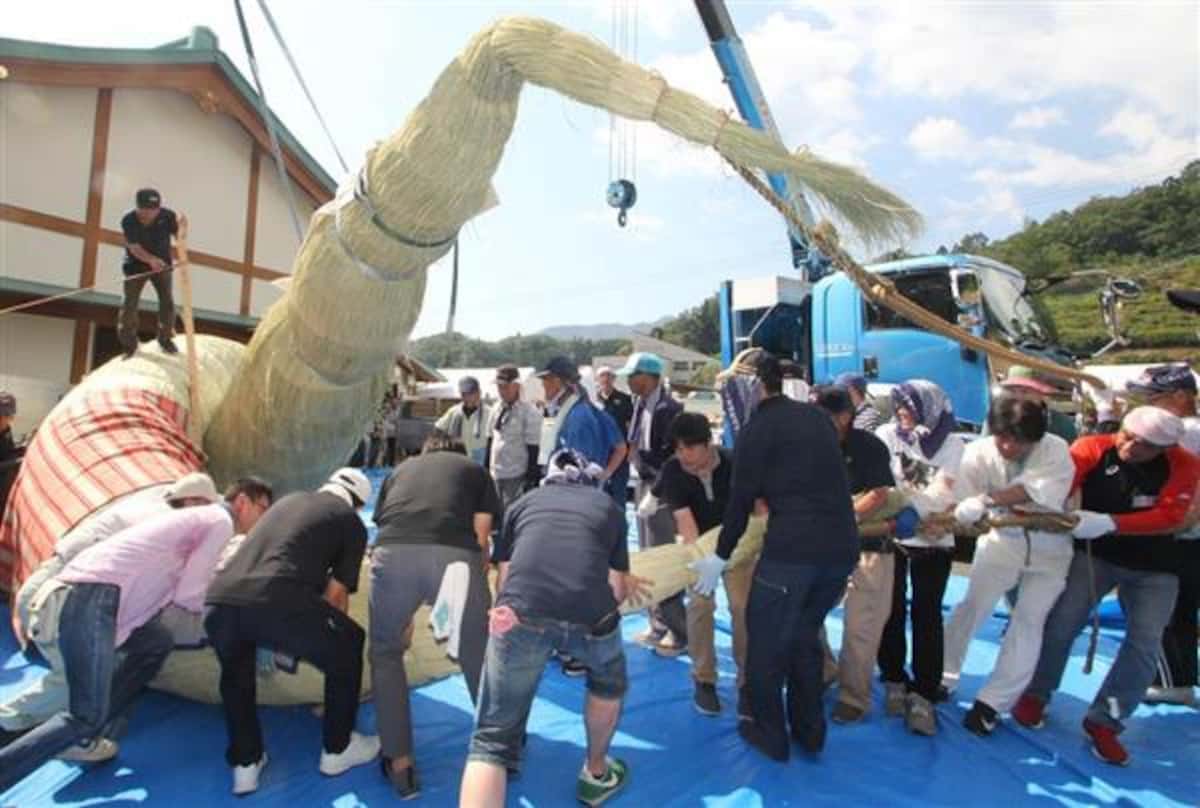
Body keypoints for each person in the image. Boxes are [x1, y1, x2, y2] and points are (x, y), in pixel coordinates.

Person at [0, 496, 244, 790]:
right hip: (87, 598)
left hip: (86, 602)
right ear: (243, 501)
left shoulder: (169, 532)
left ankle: (89, 735)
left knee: (155, 641)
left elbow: (163, 593)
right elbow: (189, 594)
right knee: (81, 711)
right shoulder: (219, 519)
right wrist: (230, 614)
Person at [1, 474, 269, 736]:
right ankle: (40, 729)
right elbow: (188, 592)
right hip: (71, 595)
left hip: (88, 597)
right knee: (78, 688)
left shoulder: (175, 520)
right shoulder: (182, 520)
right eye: (263, 509)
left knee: (152, 643)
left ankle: (91, 729)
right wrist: (239, 623)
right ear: (192, 502)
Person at [691, 354, 858, 762]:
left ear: (750, 387)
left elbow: (740, 502)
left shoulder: (756, 430)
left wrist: (719, 556)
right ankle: (810, 731)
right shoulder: (816, 417)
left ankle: (768, 732)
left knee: (766, 645)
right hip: (840, 552)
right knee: (804, 637)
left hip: (793, 554)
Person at [458, 449, 648, 808]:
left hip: (522, 612)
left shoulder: (523, 503)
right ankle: (595, 773)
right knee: (608, 684)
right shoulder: (607, 507)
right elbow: (619, 589)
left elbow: (506, 579)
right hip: (590, 614)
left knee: (490, 741)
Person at [1012, 407, 1200, 766]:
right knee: (1062, 622)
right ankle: (1036, 693)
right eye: (1126, 435)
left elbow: (1171, 516)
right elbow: (1058, 483)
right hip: (1094, 556)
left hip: (1158, 566)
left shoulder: (1185, 465)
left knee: (1144, 643)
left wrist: (1109, 522)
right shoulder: (1091, 447)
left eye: (1143, 445)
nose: (1129, 445)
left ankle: (1106, 719)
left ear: (1162, 448)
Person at [204, 468, 378, 795]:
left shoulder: (288, 502)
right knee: (349, 641)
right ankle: (338, 749)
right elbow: (335, 597)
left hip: (219, 600)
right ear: (357, 504)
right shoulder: (350, 523)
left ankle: (245, 763)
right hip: (274, 600)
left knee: (236, 675)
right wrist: (325, 641)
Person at [370, 430, 500, 798]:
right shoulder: (474, 470)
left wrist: (404, 610)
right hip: (454, 557)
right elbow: (480, 538)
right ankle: (502, 750)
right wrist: (478, 583)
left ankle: (400, 765)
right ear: (457, 453)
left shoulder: (401, 470)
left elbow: (385, 526)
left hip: (393, 556)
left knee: (385, 653)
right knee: (478, 652)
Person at [940, 397, 1076, 736]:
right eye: (1003, 437)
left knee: (1029, 622)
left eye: (1018, 440)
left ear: (1035, 438)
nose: (1008, 446)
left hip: (1051, 549)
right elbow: (965, 505)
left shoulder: (1055, 449)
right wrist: (969, 513)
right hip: (1001, 544)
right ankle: (943, 675)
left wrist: (987, 500)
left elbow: (1040, 492)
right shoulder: (978, 452)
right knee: (972, 607)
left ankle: (992, 703)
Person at [809, 386, 905, 725]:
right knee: (807, 613)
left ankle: (854, 696)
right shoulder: (810, 448)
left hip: (870, 549)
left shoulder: (869, 447)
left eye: (825, 419)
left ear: (845, 417)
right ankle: (823, 669)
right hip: (821, 549)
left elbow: (879, 494)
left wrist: (843, 519)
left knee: (860, 628)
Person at [874, 380, 965, 736]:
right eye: (899, 407)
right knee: (890, 607)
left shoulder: (952, 444)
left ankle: (925, 691)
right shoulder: (887, 435)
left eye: (910, 408)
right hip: (894, 533)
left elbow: (945, 490)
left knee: (927, 613)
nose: (902, 414)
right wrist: (901, 512)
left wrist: (921, 511)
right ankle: (894, 677)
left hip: (934, 537)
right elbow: (884, 481)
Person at [652, 412, 748, 716]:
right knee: (699, 605)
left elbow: (750, 512)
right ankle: (703, 679)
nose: (683, 456)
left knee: (743, 606)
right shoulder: (673, 471)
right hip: (700, 544)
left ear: (709, 444)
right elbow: (684, 520)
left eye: (689, 448)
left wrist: (725, 555)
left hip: (739, 541)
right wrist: (705, 559)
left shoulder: (736, 464)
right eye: (677, 449)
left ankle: (748, 679)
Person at [1125, 363, 1200, 706]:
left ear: (1181, 397)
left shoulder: (1184, 432)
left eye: (1153, 398)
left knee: (1166, 610)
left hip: (1181, 533)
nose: (1146, 406)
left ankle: (1171, 681)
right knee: (1182, 610)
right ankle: (1180, 679)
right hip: (1188, 533)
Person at [618, 352, 685, 655]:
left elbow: (674, 458)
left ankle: (679, 629)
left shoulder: (669, 409)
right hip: (643, 483)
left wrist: (656, 491)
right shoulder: (639, 406)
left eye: (633, 376)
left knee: (662, 556)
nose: (629, 381)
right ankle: (657, 621)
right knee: (646, 553)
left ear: (649, 376)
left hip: (661, 488)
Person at [535, 356, 627, 502]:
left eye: (545, 382)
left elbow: (575, 469)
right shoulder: (584, 410)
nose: (543, 387)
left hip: (574, 496)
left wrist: (605, 474)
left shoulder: (578, 418)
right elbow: (621, 447)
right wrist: (606, 474)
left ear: (558, 382)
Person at [119, 188, 181, 357]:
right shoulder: (128, 221)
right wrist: (151, 260)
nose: (149, 214)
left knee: (167, 302)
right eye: (145, 210)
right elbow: (135, 248)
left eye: (153, 210)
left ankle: (165, 339)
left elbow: (179, 235)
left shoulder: (168, 216)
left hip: (162, 266)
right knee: (129, 305)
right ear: (138, 207)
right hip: (135, 266)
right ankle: (130, 345)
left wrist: (182, 232)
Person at [486, 364, 542, 511]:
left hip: (516, 474)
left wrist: (530, 480)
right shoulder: (496, 408)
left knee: (512, 515)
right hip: (495, 473)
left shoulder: (529, 412)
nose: (501, 391)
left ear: (516, 385)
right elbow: (490, 439)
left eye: (505, 386)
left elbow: (534, 449)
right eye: (499, 387)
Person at [998, 365, 1078, 442]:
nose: (1018, 397)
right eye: (1012, 391)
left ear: (1041, 394)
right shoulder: (998, 421)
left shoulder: (1062, 425)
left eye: (1025, 392)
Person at [594, 365, 634, 506]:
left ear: (614, 379)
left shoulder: (625, 400)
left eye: (609, 375)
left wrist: (632, 450)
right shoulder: (593, 401)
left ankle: (620, 526)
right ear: (597, 379)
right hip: (600, 455)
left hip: (621, 454)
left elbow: (631, 427)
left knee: (619, 493)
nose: (606, 379)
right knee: (598, 494)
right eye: (602, 376)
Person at [437, 377, 491, 466]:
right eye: (464, 394)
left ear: (479, 393)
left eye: (470, 393)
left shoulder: (489, 413)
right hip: (457, 461)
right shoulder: (454, 412)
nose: (467, 397)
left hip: (480, 464)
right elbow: (438, 430)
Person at [0, 391, 25, 522]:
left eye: (5, 416)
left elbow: (6, 453)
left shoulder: (6, 432)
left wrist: (23, 449)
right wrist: (16, 461)